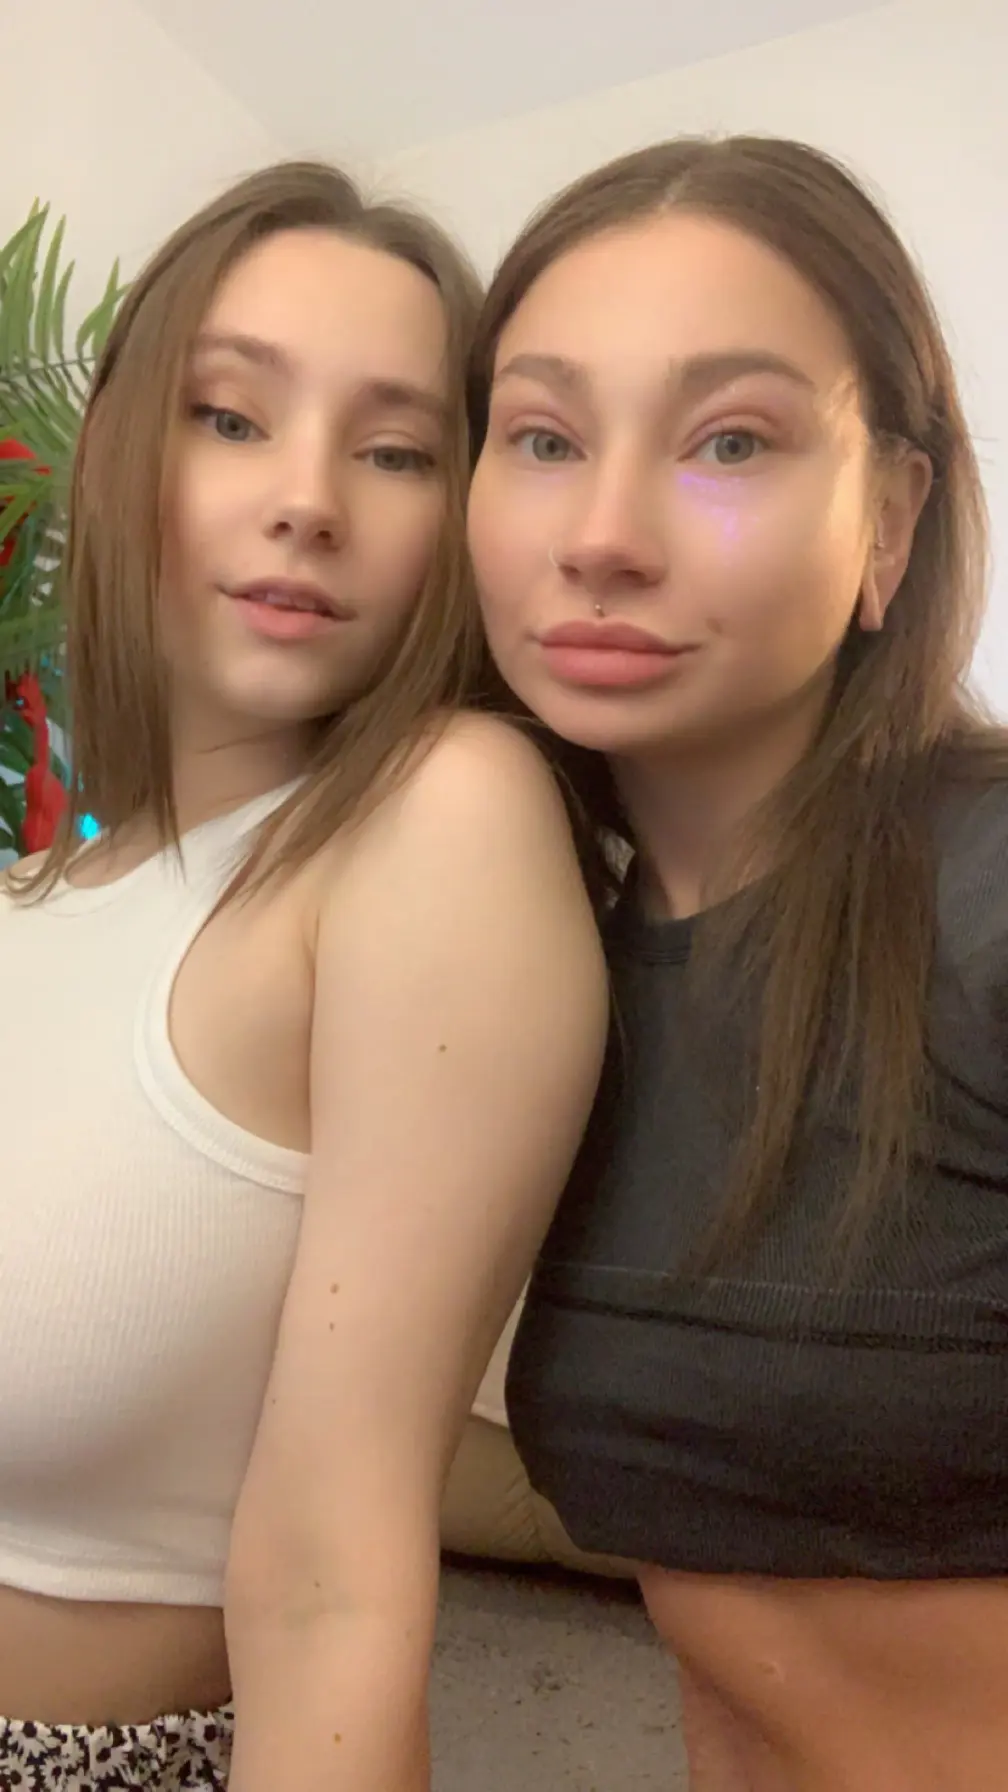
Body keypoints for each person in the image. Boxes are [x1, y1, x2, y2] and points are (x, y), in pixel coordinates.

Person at [0, 161, 608, 1792]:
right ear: (116, 454)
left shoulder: (437, 818)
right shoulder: (37, 898)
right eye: (231, 416)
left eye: (398, 450)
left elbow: (337, 1573)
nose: (309, 499)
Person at [467, 133, 1008, 1791]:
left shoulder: (988, 888)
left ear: (891, 521)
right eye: (545, 437)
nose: (605, 535)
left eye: (730, 440)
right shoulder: (532, 970)